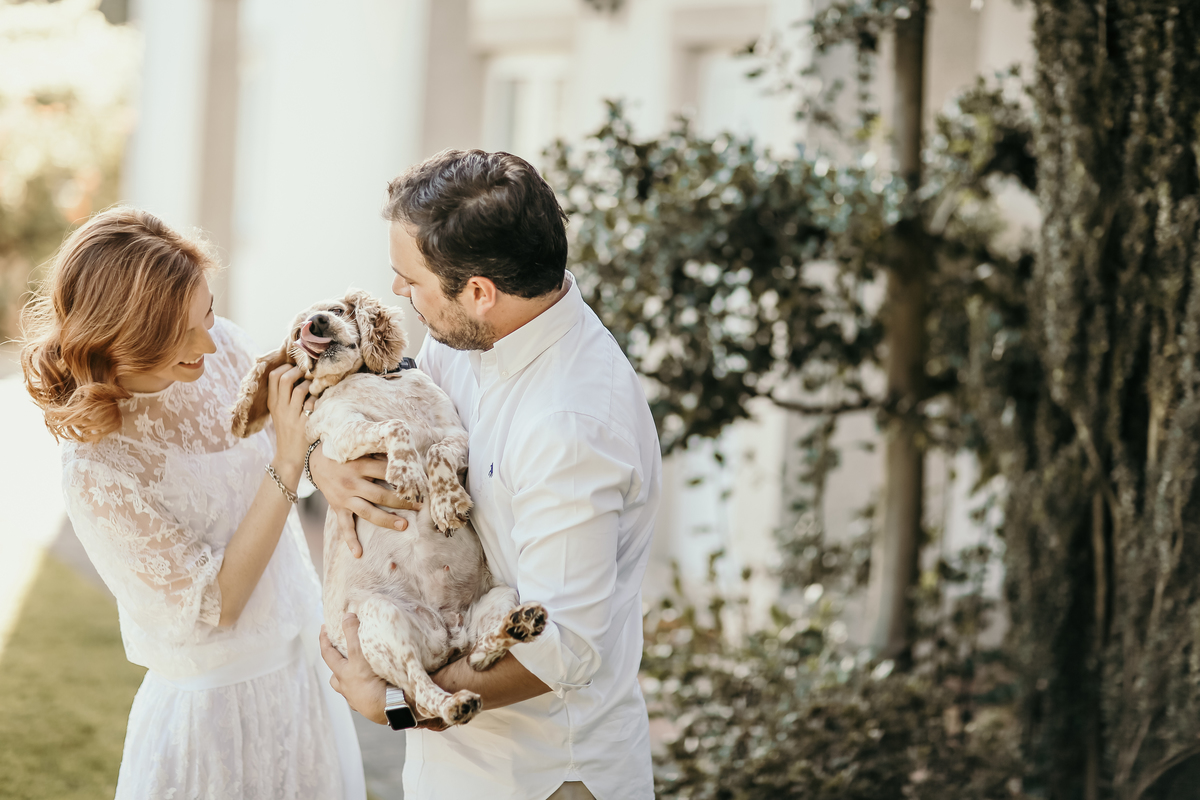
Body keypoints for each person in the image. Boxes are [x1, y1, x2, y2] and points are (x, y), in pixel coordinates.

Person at [313, 149, 661, 800]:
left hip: (541, 775)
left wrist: (395, 702)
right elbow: (392, 409)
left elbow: (561, 649)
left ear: (479, 292)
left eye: (409, 280)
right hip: (456, 766)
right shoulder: (468, 335)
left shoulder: (572, 426)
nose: (399, 293)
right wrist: (323, 465)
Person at [20, 207, 365, 800]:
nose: (209, 340)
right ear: (123, 339)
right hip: (215, 720)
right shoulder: (98, 470)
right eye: (181, 335)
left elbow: (291, 444)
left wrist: (319, 461)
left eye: (206, 311)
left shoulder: (222, 347)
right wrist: (288, 461)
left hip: (303, 681)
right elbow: (218, 605)